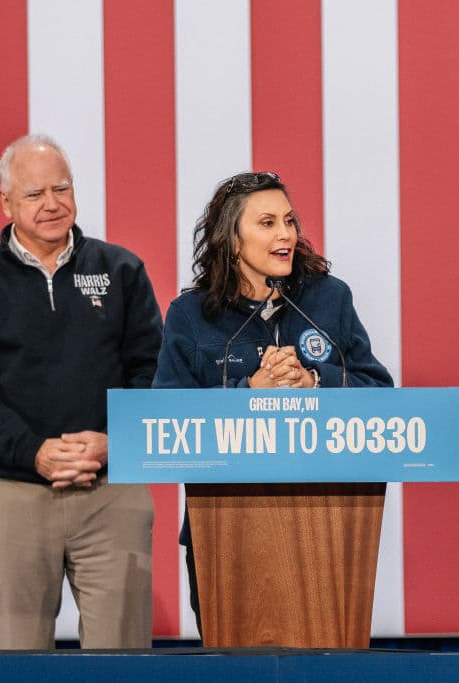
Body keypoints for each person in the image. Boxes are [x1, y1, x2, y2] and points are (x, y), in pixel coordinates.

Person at [0, 134, 163, 650]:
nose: (52, 204)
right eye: (34, 194)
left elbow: (154, 372)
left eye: (62, 188)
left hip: (112, 491)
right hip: (13, 495)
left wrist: (113, 442)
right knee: (20, 661)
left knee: (123, 661)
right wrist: (32, 451)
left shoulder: (122, 270)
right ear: (6, 202)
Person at [152, 171, 393, 633]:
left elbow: (379, 392)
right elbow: (165, 421)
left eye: (289, 220)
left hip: (328, 526)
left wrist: (314, 381)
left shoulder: (329, 298)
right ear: (232, 239)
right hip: (222, 529)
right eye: (267, 223)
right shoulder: (191, 315)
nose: (286, 234)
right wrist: (249, 393)